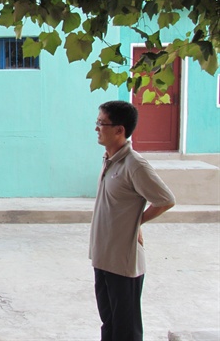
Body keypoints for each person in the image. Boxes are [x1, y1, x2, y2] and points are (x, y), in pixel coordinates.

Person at [89, 101, 176, 341]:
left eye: (101, 123)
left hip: (124, 263)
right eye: (97, 122)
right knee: (109, 324)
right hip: (102, 256)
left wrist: (137, 222)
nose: (97, 128)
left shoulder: (134, 165)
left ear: (119, 130)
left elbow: (165, 199)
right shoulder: (109, 159)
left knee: (127, 330)